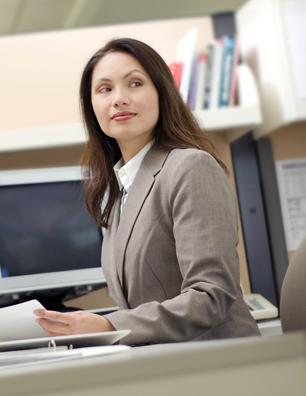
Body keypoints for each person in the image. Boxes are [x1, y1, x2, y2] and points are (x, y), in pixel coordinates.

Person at [34, 38, 261, 344]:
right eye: (104, 89)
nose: (119, 99)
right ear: (92, 107)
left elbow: (211, 295)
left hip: (216, 364)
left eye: (135, 83)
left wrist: (109, 326)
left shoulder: (191, 167)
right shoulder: (121, 188)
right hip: (161, 366)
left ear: (162, 93)